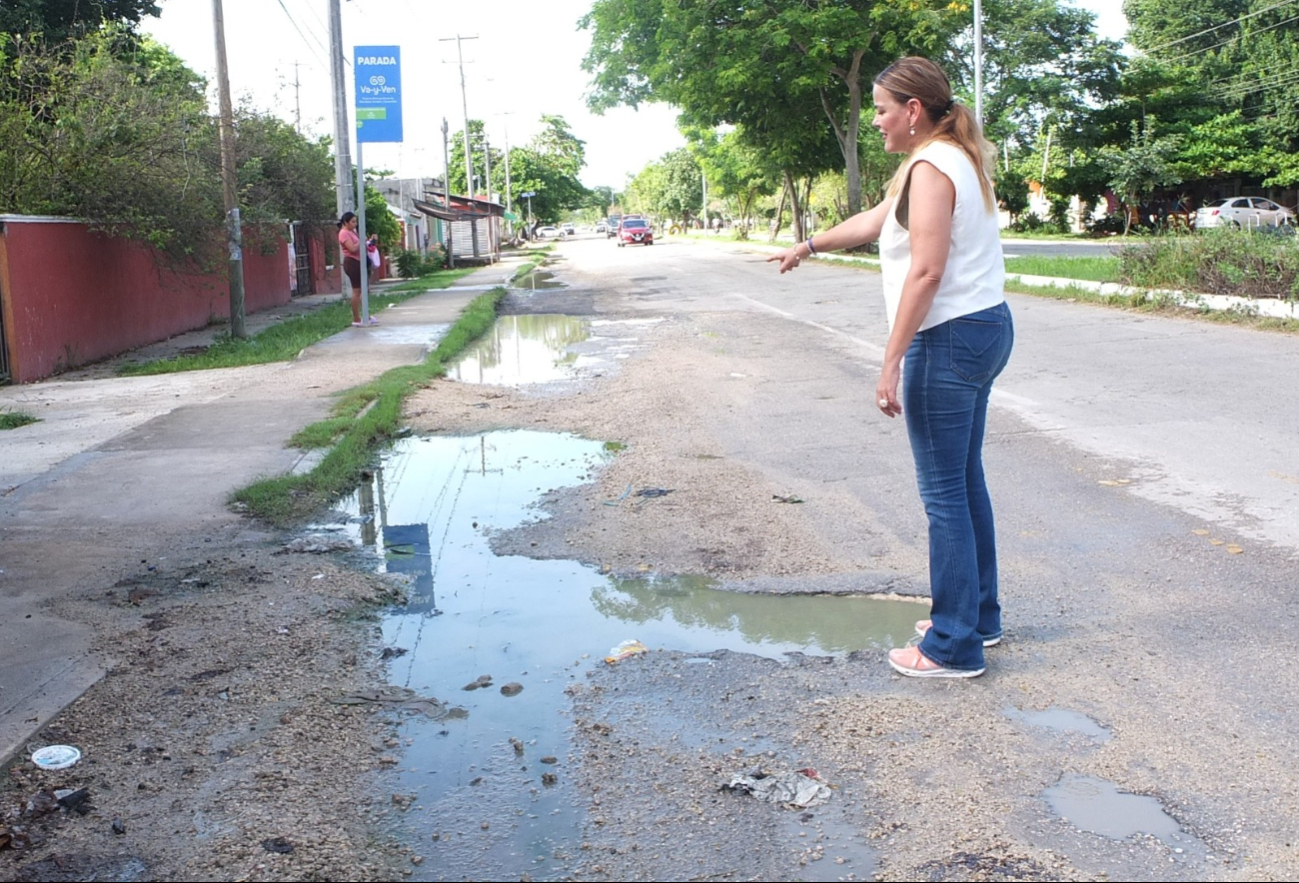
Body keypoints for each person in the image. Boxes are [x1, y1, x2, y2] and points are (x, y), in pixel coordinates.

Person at [769, 56, 1013, 679]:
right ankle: (977, 618)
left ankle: (953, 646)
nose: (874, 122)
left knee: (943, 496)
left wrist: (891, 360)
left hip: (951, 337)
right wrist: (809, 243)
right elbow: (877, 223)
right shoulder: (942, 160)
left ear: (912, 110)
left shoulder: (932, 168)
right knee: (963, 482)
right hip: (984, 328)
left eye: (880, 110)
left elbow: (926, 272)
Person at [337, 212, 378, 327]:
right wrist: (361, 240)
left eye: (356, 222)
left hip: (359, 262)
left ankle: (366, 315)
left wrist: (370, 241)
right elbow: (352, 248)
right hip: (352, 263)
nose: (355, 224)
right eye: (353, 222)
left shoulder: (352, 232)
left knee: (363, 290)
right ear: (346, 222)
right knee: (357, 291)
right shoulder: (344, 233)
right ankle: (356, 318)